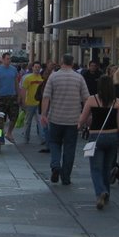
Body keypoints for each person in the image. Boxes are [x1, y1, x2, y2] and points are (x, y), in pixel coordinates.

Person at [39, 53, 90, 186]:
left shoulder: (53, 77)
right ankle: (66, 177)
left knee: (54, 143)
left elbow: (46, 97)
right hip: (73, 120)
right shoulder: (79, 78)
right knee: (70, 147)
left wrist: (44, 114)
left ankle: (55, 165)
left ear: (61, 62)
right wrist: (86, 116)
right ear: (72, 63)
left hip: (55, 118)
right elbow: (86, 98)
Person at [80, 75, 119, 210]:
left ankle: (100, 191)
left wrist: (78, 126)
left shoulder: (92, 100)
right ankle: (106, 192)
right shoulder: (117, 102)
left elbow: (83, 118)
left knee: (96, 168)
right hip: (113, 136)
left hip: (96, 136)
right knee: (107, 167)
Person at [0, 52, 19, 143]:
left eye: (10, 59)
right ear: (2, 59)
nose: (9, 60)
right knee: (0, 118)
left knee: (14, 116)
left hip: (12, 96)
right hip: (1, 96)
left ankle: (9, 133)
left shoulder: (14, 69)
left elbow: (16, 83)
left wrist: (18, 95)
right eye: (7, 59)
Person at [19, 62, 45, 144]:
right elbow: (23, 90)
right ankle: (26, 138)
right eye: (35, 67)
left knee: (40, 121)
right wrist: (23, 101)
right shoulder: (28, 78)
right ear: (32, 68)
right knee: (27, 121)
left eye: (38, 67)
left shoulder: (42, 79)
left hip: (39, 103)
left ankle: (43, 139)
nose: (37, 68)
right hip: (29, 103)